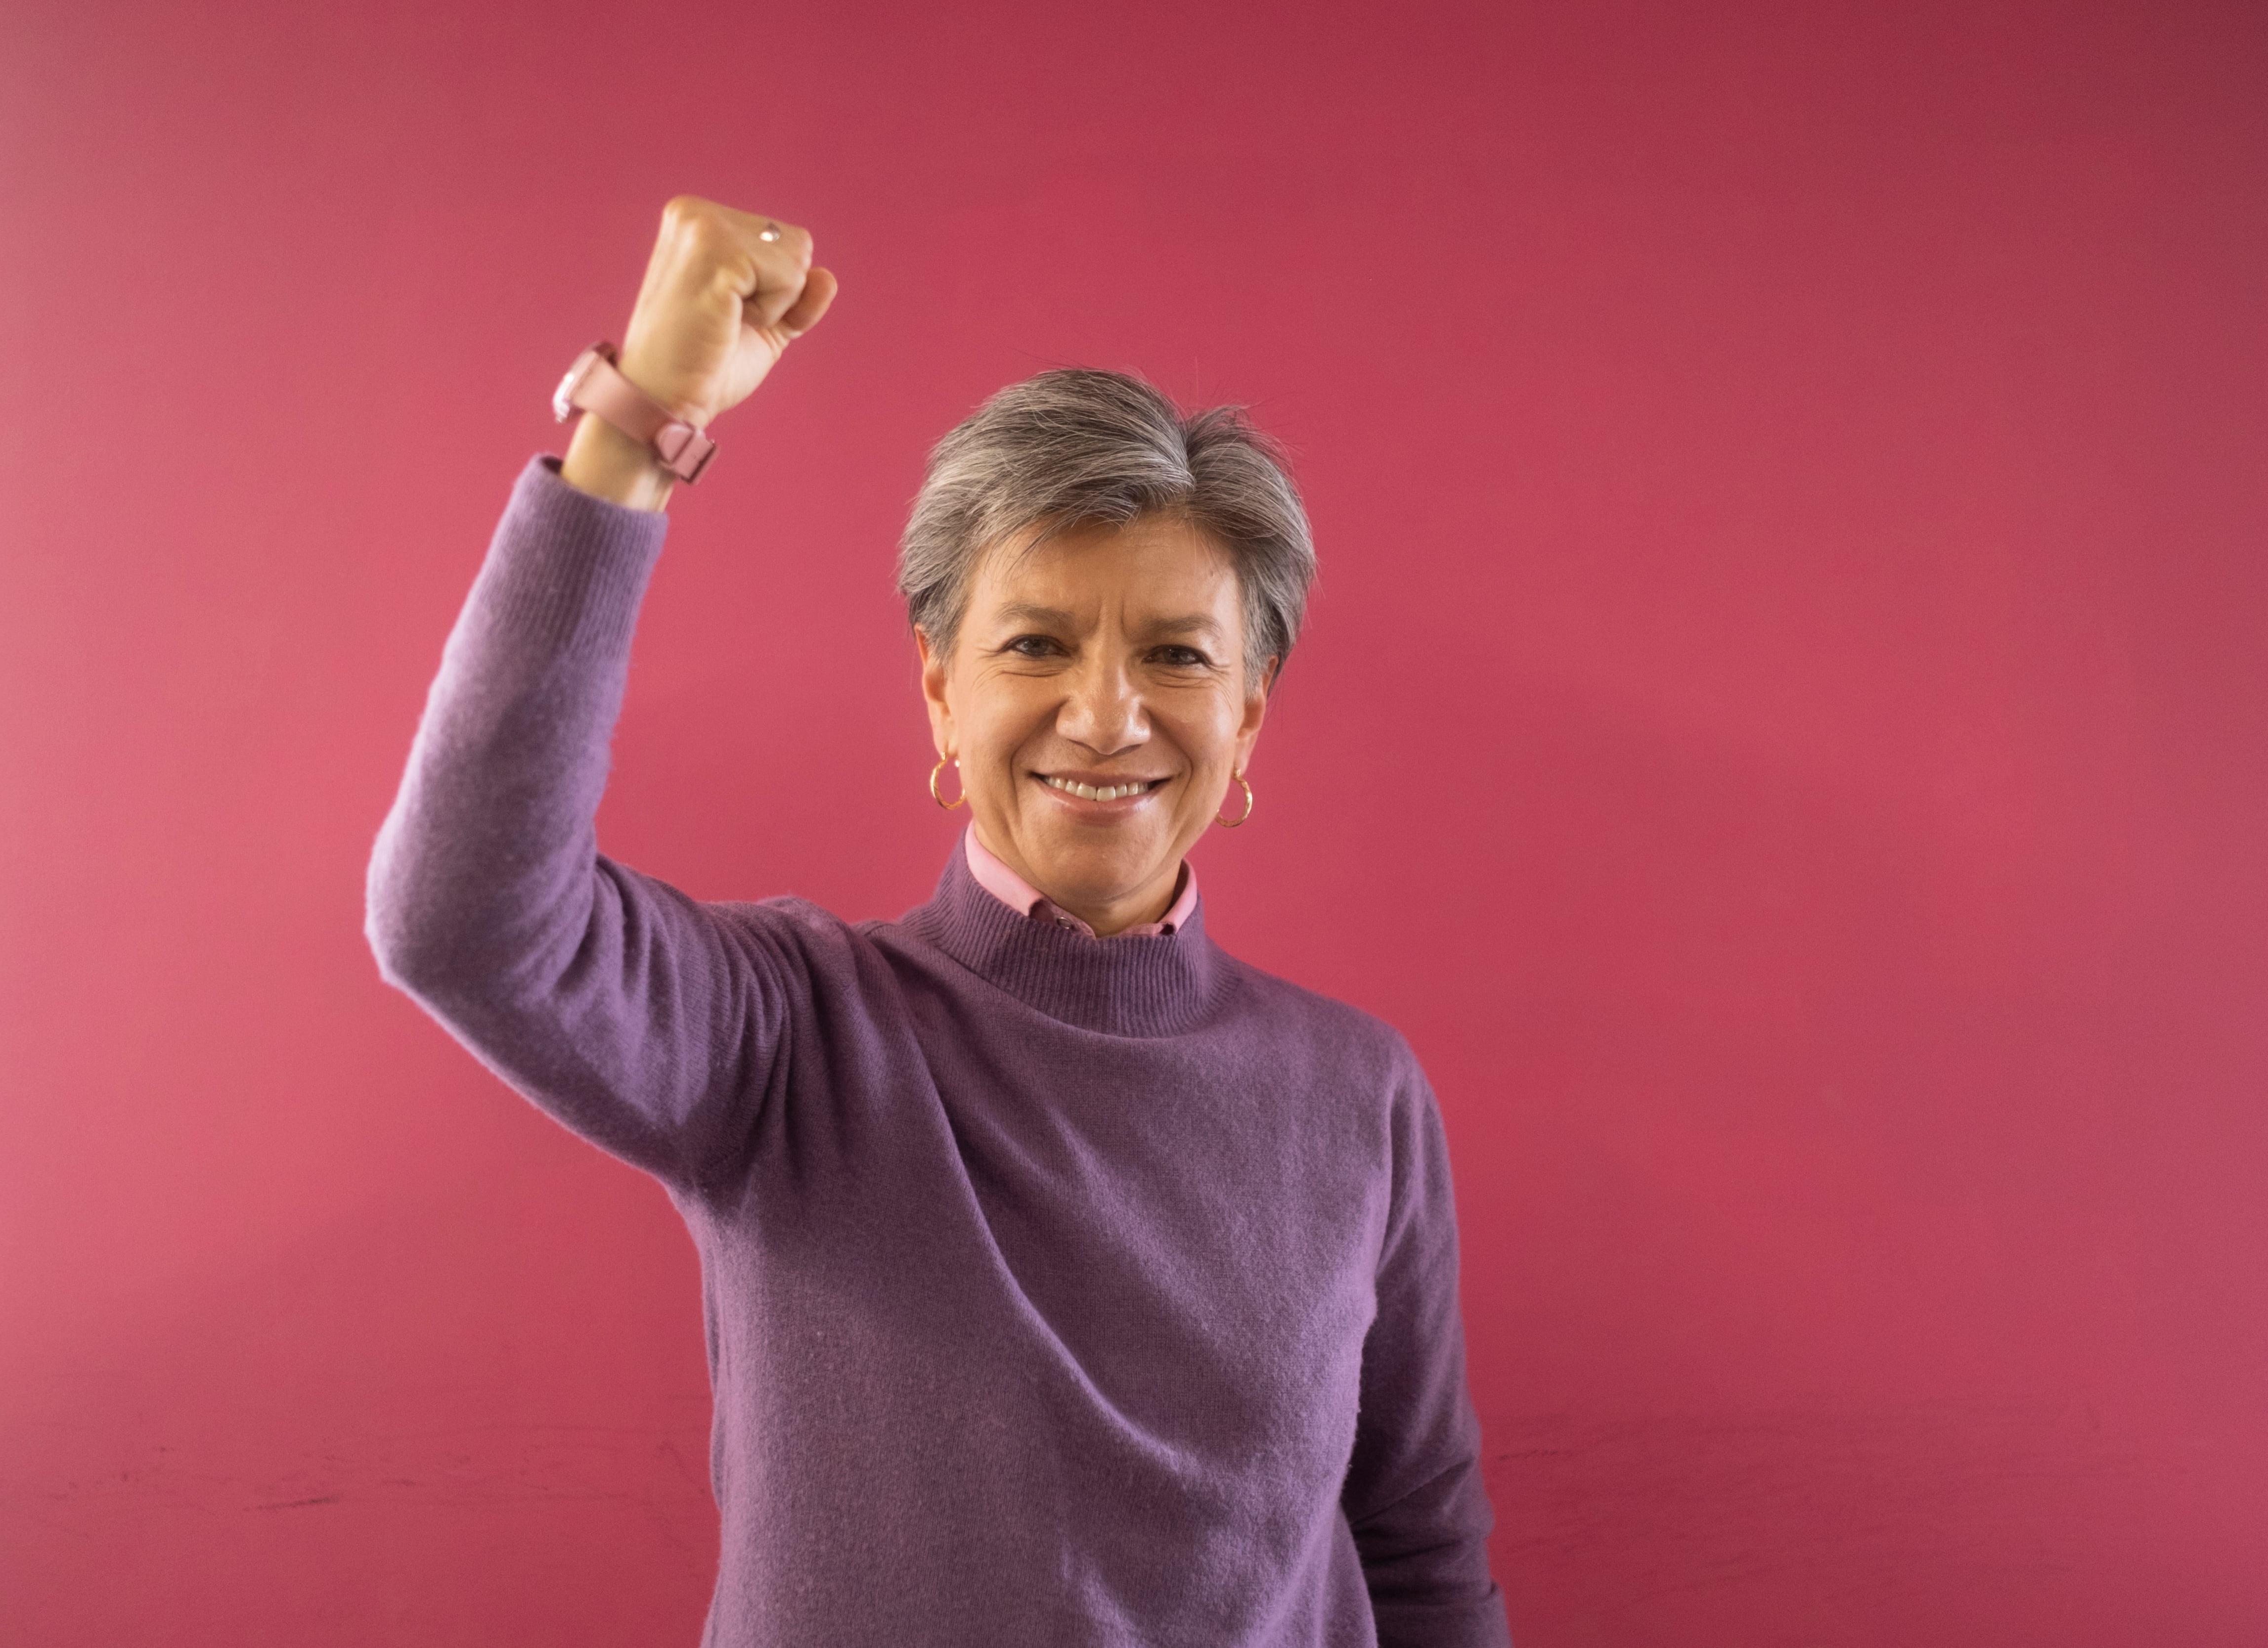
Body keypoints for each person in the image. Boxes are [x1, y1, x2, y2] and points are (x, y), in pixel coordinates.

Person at [365, 194, 1510, 1648]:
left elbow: (1418, 1543)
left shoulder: (1361, 1092)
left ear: (1249, 714)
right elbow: (460, 917)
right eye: (1035, 643)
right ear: (938, 694)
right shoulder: (791, 1035)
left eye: (1176, 653)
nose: (1108, 713)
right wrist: (637, 421)